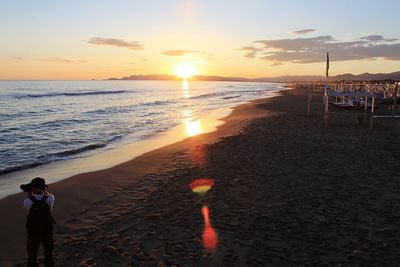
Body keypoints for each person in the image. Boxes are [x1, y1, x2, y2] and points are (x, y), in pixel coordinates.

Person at [22, 177, 55, 267]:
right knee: (48, 253)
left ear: (33, 188)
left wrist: (29, 194)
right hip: (47, 229)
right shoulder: (51, 197)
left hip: (33, 230)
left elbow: (28, 211)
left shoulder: (27, 201)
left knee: (32, 255)